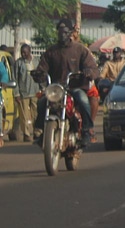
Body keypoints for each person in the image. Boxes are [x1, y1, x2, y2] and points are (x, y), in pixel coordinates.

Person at [31, 18, 99, 147]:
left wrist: (88, 72)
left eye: (65, 31)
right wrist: (39, 74)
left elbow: (93, 69)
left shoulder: (80, 50)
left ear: (70, 33)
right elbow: (42, 68)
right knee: (41, 102)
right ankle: (40, 131)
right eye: (60, 31)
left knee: (83, 100)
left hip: (75, 87)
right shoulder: (51, 51)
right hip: (56, 88)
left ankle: (87, 130)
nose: (62, 34)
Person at [13, 43, 40, 143]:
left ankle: (37, 132)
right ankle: (27, 134)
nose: (23, 54)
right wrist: (17, 94)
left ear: (30, 51)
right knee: (24, 115)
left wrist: (42, 89)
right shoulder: (18, 63)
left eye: (25, 52)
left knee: (36, 113)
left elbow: (41, 76)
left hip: (35, 91)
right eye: (22, 53)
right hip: (23, 93)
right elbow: (15, 79)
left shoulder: (36, 61)